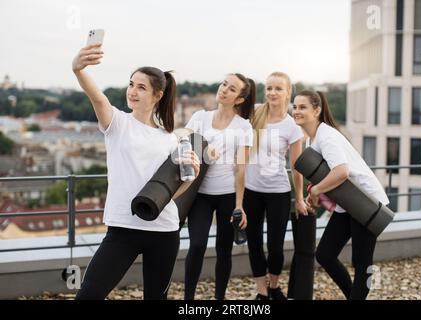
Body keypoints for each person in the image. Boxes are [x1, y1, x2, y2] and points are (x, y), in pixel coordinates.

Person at [72, 43, 200, 300]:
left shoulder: (171, 138)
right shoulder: (117, 122)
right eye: (131, 84)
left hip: (164, 231)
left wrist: (192, 175)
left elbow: (174, 191)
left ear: (158, 94)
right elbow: (97, 97)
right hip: (123, 228)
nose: (132, 91)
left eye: (141, 87)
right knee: (89, 294)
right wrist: (78, 70)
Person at [292, 90, 389, 300]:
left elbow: (341, 171)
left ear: (317, 110)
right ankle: (353, 296)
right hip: (348, 202)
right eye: (295, 107)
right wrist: (315, 191)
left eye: (302, 107)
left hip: (366, 201)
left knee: (362, 262)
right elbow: (331, 176)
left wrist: (317, 189)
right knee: (325, 254)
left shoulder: (326, 136)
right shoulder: (313, 139)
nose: (296, 111)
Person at [183, 73, 255, 300]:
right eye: (224, 84)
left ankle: (220, 299)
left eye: (232, 89)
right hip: (199, 194)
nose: (224, 89)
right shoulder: (199, 118)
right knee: (196, 245)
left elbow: (241, 169)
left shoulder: (244, 126)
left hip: (228, 195)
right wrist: (205, 151)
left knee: (224, 250)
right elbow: (183, 147)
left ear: (240, 99)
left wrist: (240, 206)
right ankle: (188, 300)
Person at [244, 72, 307, 300]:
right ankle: (261, 291)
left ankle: (274, 284)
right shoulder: (254, 113)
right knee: (254, 243)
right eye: (269, 88)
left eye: (278, 88)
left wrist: (299, 198)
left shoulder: (293, 126)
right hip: (251, 191)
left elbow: (297, 166)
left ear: (288, 92)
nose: (272, 92)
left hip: (278, 192)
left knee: (276, 247)